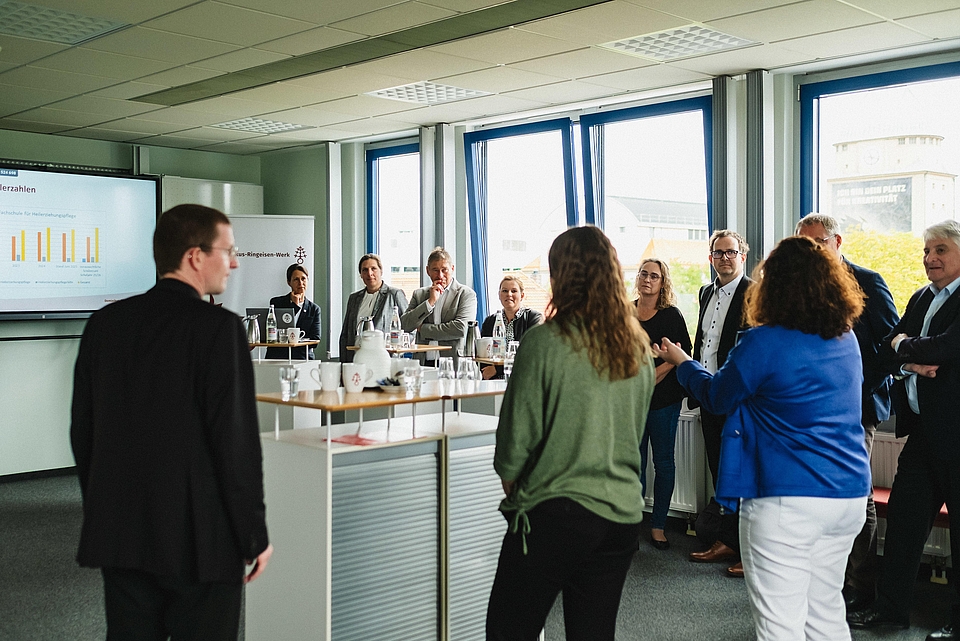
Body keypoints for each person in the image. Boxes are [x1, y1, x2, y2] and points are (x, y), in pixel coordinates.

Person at [70, 204, 273, 641]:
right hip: (201, 540)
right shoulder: (219, 329)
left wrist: (104, 508)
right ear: (195, 256)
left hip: (121, 532)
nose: (235, 262)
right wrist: (253, 534)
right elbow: (233, 445)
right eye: (229, 250)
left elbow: (83, 433)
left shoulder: (104, 325)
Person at [654, 235, 870, 641]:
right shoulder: (847, 340)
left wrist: (682, 362)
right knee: (825, 614)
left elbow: (718, 395)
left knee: (779, 625)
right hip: (847, 495)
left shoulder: (763, 341)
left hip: (786, 497)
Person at [486, 226, 655, 641]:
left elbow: (512, 451)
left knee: (509, 630)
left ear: (561, 275)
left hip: (553, 516)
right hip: (620, 518)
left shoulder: (543, 343)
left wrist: (520, 492)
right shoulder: (637, 347)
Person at [849, 220, 960, 641]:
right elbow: (888, 347)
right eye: (927, 250)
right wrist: (909, 357)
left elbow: (944, 349)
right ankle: (891, 610)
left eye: (941, 250)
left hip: (957, 437)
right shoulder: (920, 296)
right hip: (923, 434)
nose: (930, 258)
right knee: (904, 528)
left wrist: (905, 348)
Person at [796, 213, 899, 613]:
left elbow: (891, 345)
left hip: (857, 408)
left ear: (838, 241)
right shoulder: (802, 288)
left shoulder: (868, 281)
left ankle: (861, 585)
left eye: (819, 241)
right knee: (819, 495)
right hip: (811, 409)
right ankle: (828, 580)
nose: (813, 249)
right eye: (805, 243)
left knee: (857, 497)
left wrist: (853, 387)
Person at [689, 229, 752, 577]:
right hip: (709, 396)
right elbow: (704, 342)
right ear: (710, 258)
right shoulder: (704, 292)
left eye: (731, 253)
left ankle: (748, 550)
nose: (724, 259)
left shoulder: (755, 293)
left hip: (739, 400)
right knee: (719, 472)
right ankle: (727, 540)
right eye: (718, 253)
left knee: (742, 476)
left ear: (742, 255)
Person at [633, 258, 692, 550]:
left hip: (664, 400)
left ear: (662, 282)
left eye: (653, 276)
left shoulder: (672, 315)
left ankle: (658, 526)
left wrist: (653, 377)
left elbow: (681, 353)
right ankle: (633, 524)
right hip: (632, 401)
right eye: (643, 273)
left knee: (664, 463)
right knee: (635, 465)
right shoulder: (626, 312)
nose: (647, 279)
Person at [400, 246, 477, 365]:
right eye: (435, 270)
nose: (440, 275)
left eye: (444, 270)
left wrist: (424, 329)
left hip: (453, 363)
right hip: (423, 362)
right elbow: (405, 325)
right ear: (427, 271)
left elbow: (461, 328)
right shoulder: (419, 294)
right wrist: (430, 302)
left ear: (452, 269)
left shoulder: (466, 294)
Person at [339, 253, 409, 363]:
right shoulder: (353, 298)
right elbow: (345, 334)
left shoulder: (394, 294)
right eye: (365, 270)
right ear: (361, 275)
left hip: (384, 360)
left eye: (373, 269)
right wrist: (344, 364)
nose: (369, 273)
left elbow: (410, 325)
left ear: (381, 271)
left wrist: (397, 350)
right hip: (357, 359)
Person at [479, 275, 543, 379]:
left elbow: (531, 355)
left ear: (522, 295)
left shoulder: (533, 318)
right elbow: (483, 355)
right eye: (504, 291)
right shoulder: (490, 321)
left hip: (524, 379)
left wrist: (498, 370)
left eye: (514, 291)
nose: (509, 294)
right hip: (493, 382)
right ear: (499, 295)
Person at [265, 263, 322, 360]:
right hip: (277, 357)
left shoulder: (314, 309)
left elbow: (315, 339)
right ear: (289, 282)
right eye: (296, 279)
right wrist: (294, 306)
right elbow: (275, 332)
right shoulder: (276, 303)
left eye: (303, 279)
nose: (300, 283)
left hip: (303, 358)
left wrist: (295, 340)